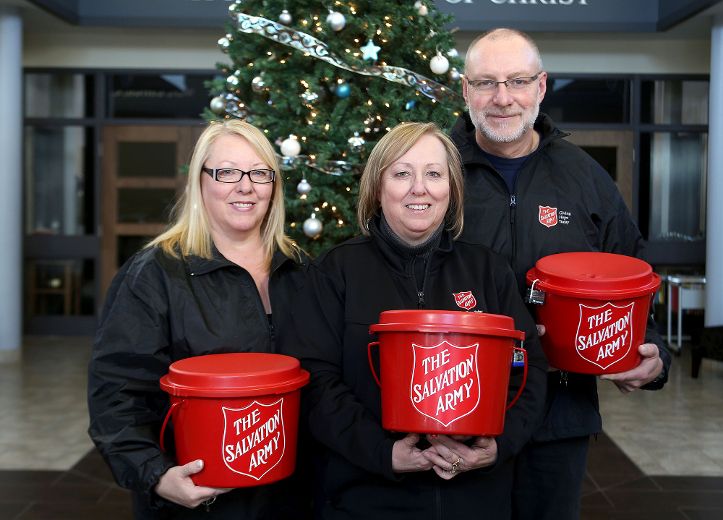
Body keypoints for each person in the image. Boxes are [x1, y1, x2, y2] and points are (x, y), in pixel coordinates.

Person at [450, 28, 673, 520]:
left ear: (542, 86)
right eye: (486, 83)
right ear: (465, 90)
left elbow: (631, 274)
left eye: (517, 81)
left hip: (558, 417)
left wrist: (653, 353)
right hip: (456, 408)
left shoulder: (584, 176)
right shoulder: (435, 171)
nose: (502, 98)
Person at [284, 122, 548, 519]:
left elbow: (529, 368)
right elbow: (316, 380)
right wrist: (384, 452)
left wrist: (499, 445)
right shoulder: (336, 271)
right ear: (377, 187)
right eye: (402, 173)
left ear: (452, 189)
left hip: (476, 500)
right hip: (364, 499)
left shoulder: (488, 270)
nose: (419, 188)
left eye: (434, 174)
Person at [87, 119, 309, 519]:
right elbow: (116, 394)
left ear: (274, 186)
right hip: (197, 503)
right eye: (226, 172)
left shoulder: (300, 268)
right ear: (200, 181)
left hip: (292, 500)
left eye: (260, 173)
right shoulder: (155, 273)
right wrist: (156, 474)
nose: (246, 186)